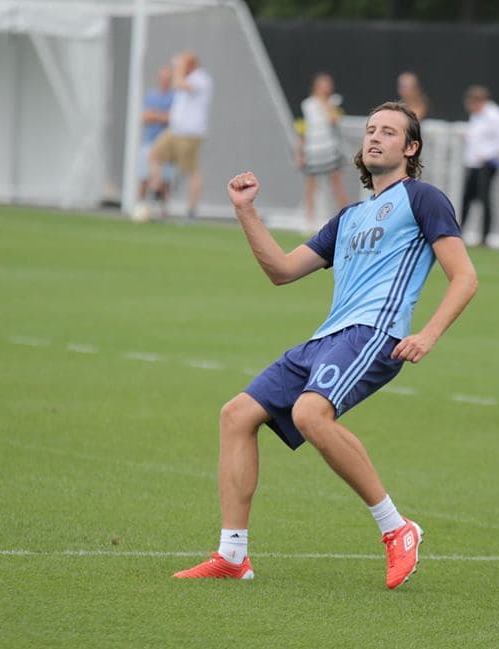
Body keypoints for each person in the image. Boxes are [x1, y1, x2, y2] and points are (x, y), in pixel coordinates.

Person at [173, 101, 478, 589]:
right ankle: (232, 554)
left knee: (311, 414)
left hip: (374, 333)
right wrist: (245, 210)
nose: (375, 137)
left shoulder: (423, 198)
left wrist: (428, 334)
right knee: (236, 415)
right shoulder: (349, 217)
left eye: (390, 132)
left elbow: (464, 277)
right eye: (371, 130)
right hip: (327, 337)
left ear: (411, 147)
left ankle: (397, 529)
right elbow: (282, 271)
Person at [146, 51, 213, 220]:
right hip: (175, 131)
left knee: (191, 171)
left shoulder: (201, 79)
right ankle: (157, 194)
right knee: (153, 155)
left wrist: (179, 67)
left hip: (189, 134)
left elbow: (178, 84)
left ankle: (192, 210)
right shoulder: (190, 77)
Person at [296, 72, 350, 232]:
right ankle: (309, 221)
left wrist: (326, 104)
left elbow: (333, 120)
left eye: (328, 84)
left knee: (337, 185)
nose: (326, 87)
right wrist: (300, 153)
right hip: (313, 151)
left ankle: (348, 218)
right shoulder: (307, 105)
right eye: (323, 84)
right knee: (310, 187)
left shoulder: (334, 102)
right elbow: (302, 131)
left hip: (330, 151)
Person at [460, 85, 499, 246]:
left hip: (487, 164)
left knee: (484, 199)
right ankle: (459, 232)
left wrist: (487, 155)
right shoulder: (476, 116)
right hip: (473, 163)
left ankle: (485, 236)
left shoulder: (495, 116)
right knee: (467, 198)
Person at [138, 66, 174, 203]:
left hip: (167, 145)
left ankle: (162, 210)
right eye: (163, 79)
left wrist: (156, 116)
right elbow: (146, 117)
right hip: (149, 142)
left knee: (165, 180)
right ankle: (141, 205)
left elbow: (173, 119)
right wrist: (162, 116)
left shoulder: (174, 96)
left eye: (167, 79)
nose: (165, 81)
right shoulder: (151, 95)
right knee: (144, 177)